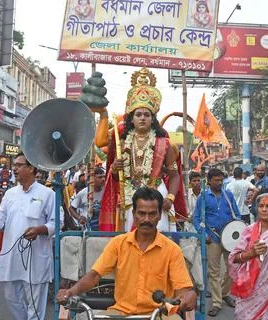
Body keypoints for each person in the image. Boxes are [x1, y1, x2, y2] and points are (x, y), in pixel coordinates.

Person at [56, 187, 197, 316]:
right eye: (141, 213)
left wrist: (187, 296)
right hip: (121, 312)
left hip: (160, 314)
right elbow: (94, 275)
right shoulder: (119, 243)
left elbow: (182, 288)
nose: (146, 219)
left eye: (152, 214)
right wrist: (70, 292)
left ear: (160, 215)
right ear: (134, 214)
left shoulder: (172, 250)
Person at [95, 67, 187, 232]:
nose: (143, 118)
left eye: (147, 114)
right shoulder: (122, 143)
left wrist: (170, 198)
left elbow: (174, 175)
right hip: (129, 197)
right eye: (138, 115)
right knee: (130, 242)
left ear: (153, 119)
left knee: (159, 240)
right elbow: (114, 174)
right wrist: (115, 169)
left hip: (157, 196)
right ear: (132, 119)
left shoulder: (164, 144)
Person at [0, 152, 58, 319]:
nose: (14, 169)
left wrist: (39, 230)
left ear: (31, 168)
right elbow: (0, 222)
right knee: (12, 298)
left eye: (19, 165)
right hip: (12, 258)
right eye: (15, 165)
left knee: (35, 305)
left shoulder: (47, 194)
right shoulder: (10, 194)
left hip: (36, 259)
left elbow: (57, 223)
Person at [193, 168, 240, 316]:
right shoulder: (203, 197)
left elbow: (236, 215)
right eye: (216, 180)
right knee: (214, 272)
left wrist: (237, 229)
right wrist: (203, 234)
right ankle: (216, 302)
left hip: (230, 239)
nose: (220, 183)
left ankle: (225, 293)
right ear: (209, 181)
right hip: (211, 239)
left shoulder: (228, 195)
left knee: (232, 268)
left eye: (221, 180)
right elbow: (196, 218)